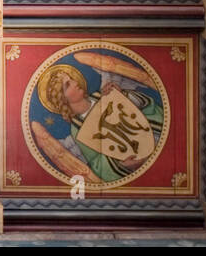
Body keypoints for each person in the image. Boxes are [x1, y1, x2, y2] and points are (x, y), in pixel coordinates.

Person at [35, 60, 163, 182]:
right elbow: (97, 163)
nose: (75, 82)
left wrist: (122, 95)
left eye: (71, 79)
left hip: (157, 141)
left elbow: (146, 108)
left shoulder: (105, 94)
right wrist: (123, 164)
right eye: (68, 85)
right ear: (63, 99)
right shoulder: (78, 131)